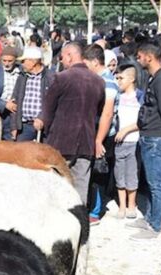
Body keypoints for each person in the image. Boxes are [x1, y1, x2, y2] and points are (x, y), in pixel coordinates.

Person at [34, 42, 106, 203]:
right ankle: (79, 217)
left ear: (70, 56)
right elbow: (99, 112)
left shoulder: (61, 78)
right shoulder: (99, 81)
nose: (61, 61)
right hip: (86, 143)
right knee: (81, 188)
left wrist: (44, 128)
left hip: (60, 142)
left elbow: (48, 109)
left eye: (62, 57)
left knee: (57, 186)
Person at [129, 41, 161, 241]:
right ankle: (149, 217)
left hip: (157, 137)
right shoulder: (156, 78)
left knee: (157, 184)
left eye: (140, 56)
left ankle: (155, 224)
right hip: (150, 134)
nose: (138, 59)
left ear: (149, 57)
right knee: (151, 182)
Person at [84, 44, 120, 223]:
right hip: (94, 132)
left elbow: (107, 114)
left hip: (103, 135)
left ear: (95, 62)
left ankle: (95, 211)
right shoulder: (97, 80)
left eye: (86, 64)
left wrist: (99, 140)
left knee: (98, 173)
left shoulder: (108, 83)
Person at [113, 64, 143, 219]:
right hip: (119, 142)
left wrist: (126, 130)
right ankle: (122, 205)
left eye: (121, 78)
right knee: (119, 174)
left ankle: (131, 205)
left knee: (132, 174)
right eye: (117, 78)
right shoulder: (118, 97)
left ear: (131, 79)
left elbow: (143, 120)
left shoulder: (140, 96)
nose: (118, 81)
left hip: (134, 141)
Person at [11, 47, 54, 142]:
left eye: (24, 61)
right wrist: (14, 126)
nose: (22, 64)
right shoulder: (22, 77)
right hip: (24, 126)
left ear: (33, 62)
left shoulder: (51, 78)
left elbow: (53, 103)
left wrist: (42, 117)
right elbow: (14, 101)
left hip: (45, 126)